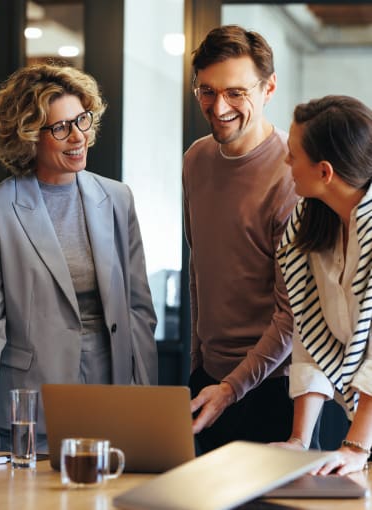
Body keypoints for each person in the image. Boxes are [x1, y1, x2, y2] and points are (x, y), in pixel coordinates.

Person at [0, 62, 158, 452]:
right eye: (60, 127)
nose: (78, 136)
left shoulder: (117, 198)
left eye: (82, 120)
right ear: (28, 137)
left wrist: (145, 398)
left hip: (114, 397)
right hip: (32, 403)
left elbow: (139, 309)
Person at [183, 24, 298, 454]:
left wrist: (232, 388)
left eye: (236, 92)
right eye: (207, 91)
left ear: (269, 88)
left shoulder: (292, 173)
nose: (219, 107)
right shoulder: (195, 160)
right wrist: (199, 368)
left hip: (274, 391)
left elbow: (292, 316)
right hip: (207, 383)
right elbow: (199, 270)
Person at [275, 95, 372, 475]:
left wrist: (354, 446)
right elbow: (311, 336)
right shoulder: (311, 225)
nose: (287, 163)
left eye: (293, 155)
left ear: (325, 171)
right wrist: (300, 440)